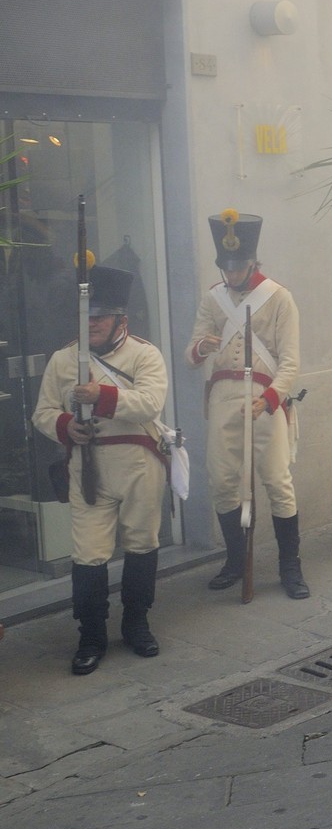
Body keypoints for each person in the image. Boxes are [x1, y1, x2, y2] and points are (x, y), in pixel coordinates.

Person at [33, 265, 171, 674]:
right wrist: (66, 426)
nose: (92, 324)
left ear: (121, 320)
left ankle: (136, 624)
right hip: (87, 467)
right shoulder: (63, 360)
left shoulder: (145, 355)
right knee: (89, 554)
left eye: (101, 317)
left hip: (139, 465)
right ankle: (91, 634)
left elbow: (150, 404)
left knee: (142, 545)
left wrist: (102, 395)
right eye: (86, 317)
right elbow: (42, 412)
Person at [187, 210, 309, 600]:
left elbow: (290, 362)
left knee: (277, 481)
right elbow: (191, 352)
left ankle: (290, 566)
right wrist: (203, 347)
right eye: (227, 267)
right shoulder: (213, 298)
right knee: (222, 481)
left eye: (239, 267)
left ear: (253, 262)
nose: (233, 274)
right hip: (223, 398)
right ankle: (236, 560)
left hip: (265, 398)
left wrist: (270, 399)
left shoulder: (279, 298)